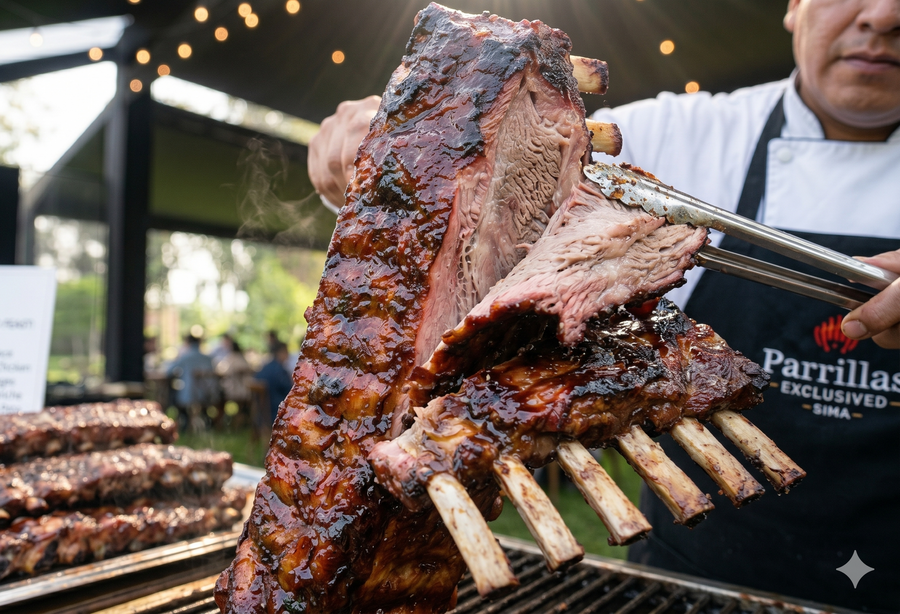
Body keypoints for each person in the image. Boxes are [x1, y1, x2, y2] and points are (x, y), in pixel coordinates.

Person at [306, 1, 900, 610]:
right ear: (795, 6)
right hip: (687, 584)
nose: (882, 16)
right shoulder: (688, 130)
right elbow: (488, 186)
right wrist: (390, 148)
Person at [164, 334, 220, 431]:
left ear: (187, 343)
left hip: (189, 395)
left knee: (171, 394)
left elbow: (168, 372)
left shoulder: (185, 357)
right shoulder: (208, 358)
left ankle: (182, 423)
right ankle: (205, 422)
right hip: (208, 394)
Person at [252, 340, 293, 429]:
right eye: (286, 352)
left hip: (261, 413)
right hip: (276, 412)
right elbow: (290, 390)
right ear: (281, 353)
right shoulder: (280, 370)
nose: (288, 355)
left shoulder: (264, 368)